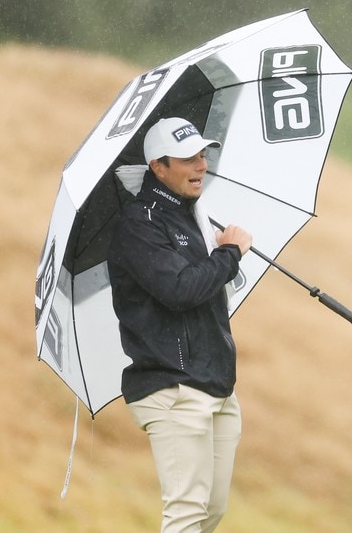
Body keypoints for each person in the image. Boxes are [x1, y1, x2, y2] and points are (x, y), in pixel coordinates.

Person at [108, 117, 254, 532]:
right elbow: (179, 290)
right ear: (158, 167)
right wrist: (228, 255)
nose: (201, 166)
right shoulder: (139, 224)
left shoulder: (194, 216)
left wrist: (220, 250)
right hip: (172, 388)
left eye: (203, 156)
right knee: (187, 514)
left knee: (212, 511)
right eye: (188, 159)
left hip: (215, 384)